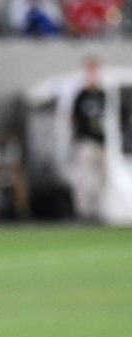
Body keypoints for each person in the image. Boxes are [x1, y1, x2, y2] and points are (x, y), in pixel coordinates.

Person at [70, 56, 107, 221]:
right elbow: (73, 117)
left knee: (102, 177)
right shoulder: (81, 95)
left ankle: (97, 209)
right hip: (85, 140)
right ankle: (83, 212)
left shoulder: (102, 94)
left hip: (100, 141)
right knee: (84, 178)